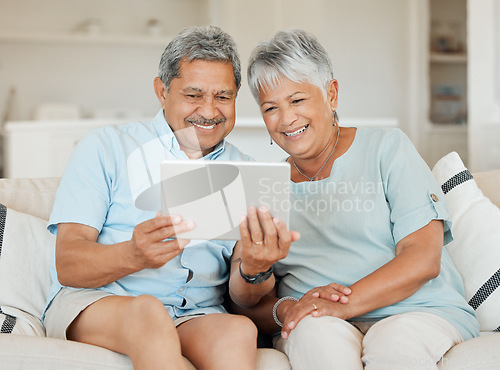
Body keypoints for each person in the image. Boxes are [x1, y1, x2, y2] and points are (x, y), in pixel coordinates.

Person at [43, 26, 298, 370]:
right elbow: (68, 263)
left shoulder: (247, 172)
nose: (209, 111)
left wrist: (255, 268)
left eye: (223, 97)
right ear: (162, 91)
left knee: (237, 329)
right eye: (193, 95)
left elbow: (242, 299)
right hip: (103, 304)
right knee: (147, 312)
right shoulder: (106, 147)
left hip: (195, 313)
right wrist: (132, 255)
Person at [235, 28, 480, 369]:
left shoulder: (388, 149)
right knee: (313, 337)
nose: (286, 118)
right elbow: (248, 302)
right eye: (270, 107)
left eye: (297, 100)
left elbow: (423, 257)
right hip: (319, 321)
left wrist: (344, 305)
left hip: (416, 311)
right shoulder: (267, 186)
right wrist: (287, 308)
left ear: (331, 95)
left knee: (392, 346)